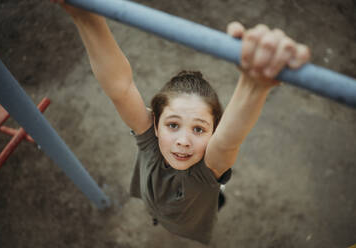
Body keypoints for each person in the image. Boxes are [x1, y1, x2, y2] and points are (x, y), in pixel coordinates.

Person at [50, 0, 310, 245]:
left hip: (194, 213)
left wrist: (254, 86)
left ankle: (216, 196)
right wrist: (85, 16)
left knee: (213, 197)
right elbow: (121, 88)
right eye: (173, 125)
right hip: (156, 205)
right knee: (159, 212)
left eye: (199, 129)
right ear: (154, 124)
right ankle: (164, 213)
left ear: (213, 133)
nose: (183, 141)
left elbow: (229, 139)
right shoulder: (150, 142)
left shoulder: (206, 169)